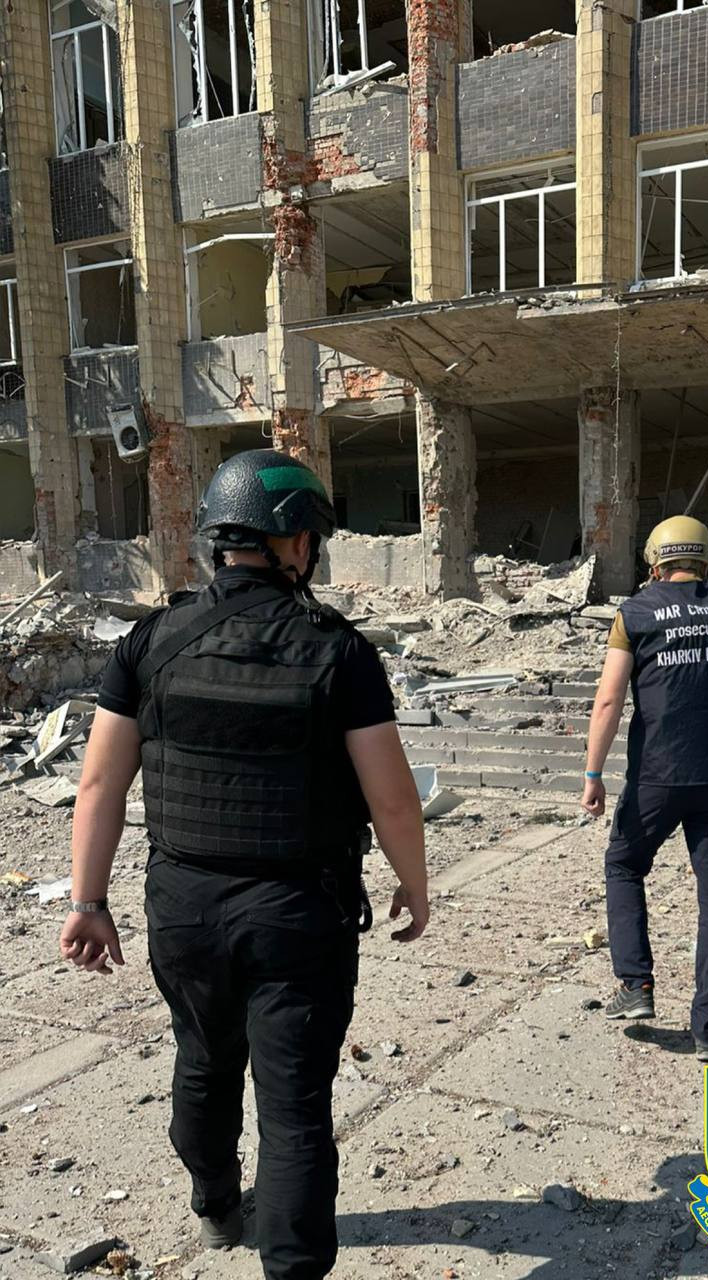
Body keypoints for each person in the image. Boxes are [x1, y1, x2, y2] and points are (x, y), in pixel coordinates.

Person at [59, 449, 429, 1280]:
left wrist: (88, 901)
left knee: (203, 1060)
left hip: (184, 906)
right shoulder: (337, 650)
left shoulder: (151, 640)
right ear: (296, 541)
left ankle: (216, 1206)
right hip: (298, 913)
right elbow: (394, 801)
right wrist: (413, 884)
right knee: (293, 1109)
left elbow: (99, 785)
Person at [580, 515, 708, 1063]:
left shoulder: (635, 612)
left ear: (654, 565)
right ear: (707, 561)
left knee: (624, 864)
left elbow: (608, 700)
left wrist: (593, 774)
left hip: (658, 774)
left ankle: (635, 984)